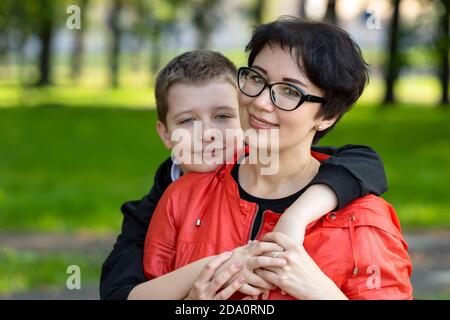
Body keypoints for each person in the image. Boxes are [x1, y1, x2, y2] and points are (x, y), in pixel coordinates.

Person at [101, 38, 391, 300]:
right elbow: (118, 293)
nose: (207, 134)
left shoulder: (298, 170)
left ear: (244, 111)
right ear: (165, 133)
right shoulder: (160, 204)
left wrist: (296, 216)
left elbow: (364, 161)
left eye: (223, 116)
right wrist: (220, 270)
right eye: (188, 121)